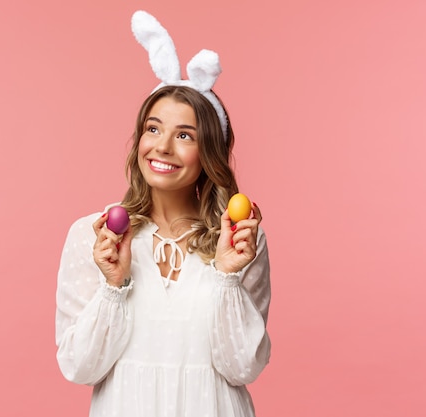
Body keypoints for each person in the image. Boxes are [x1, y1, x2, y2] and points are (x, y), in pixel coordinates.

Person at [55, 10, 271, 417]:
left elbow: (242, 366)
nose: (163, 147)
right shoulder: (95, 236)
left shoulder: (239, 238)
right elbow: (79, 367)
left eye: (184, 135)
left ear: (209, 153)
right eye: (153, 129)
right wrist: (113, 286)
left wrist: (227, 276)